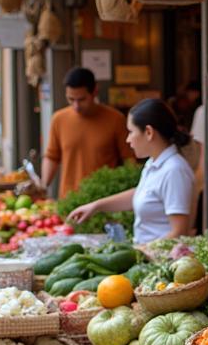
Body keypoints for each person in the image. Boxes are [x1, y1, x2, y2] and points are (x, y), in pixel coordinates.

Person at [68, 98, 196, 242]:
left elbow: (179, 232)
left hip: (162, 260)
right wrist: (96, 206)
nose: (128, 140)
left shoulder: (174, 170)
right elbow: (144, 193)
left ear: (148, 132)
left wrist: (142, 251)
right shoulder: (154, 163)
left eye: (131, 132)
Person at [41, 67, 133, 197]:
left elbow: (129, 160)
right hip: (70, 199)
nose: (76, 106)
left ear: (95, 91)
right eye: (71, 99)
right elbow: (52, 157)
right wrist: (43, 186)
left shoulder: (116, 119)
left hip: (104, 200)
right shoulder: (59, 119)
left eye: (81, 99)